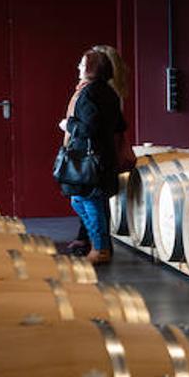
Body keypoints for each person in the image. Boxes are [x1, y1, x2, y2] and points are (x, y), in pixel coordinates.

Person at [57, 49, 125, 265]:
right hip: (103, 156)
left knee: (89, 202)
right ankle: (99, 243)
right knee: (81, 201)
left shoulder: (88, 93)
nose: (78, 67)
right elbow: (120, 125)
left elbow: (89, 127)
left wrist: (68, 125)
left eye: (82, 64)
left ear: (91, 69)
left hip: (89, 160)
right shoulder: (109, 92)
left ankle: (101, 248)